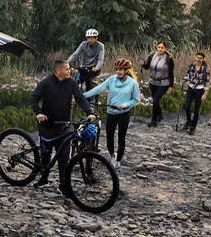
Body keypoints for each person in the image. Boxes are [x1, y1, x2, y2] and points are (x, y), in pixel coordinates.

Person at [31, 60, 96, 196]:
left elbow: (80, 98)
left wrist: (89, 112)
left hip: (65, 126)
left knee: (63, 158)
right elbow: (34, 98)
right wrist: (39, 113)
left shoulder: (71, 83)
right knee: (46, 155)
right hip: (47, 125)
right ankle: (44, 178)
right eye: (67, 69)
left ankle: (63, 185)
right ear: (58, 71)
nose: (69, 71)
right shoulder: (46, 82)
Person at [83, 59, 140, 169]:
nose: (118, 72)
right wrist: (83, 95)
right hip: (111, 113)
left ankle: (119, 159)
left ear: (127, 71)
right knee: (109, 136)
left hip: (123, 114)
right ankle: (112, 156)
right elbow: (98, 89)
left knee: (121, 137)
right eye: (117, 70)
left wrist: (125, 105)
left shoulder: (133, 83)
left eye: (121, 70)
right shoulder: (111, 80)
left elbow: (135, 100)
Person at [141, 41, 175, 127]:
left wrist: (171, 85)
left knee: (155, 99)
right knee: (155, 99)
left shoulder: (169, 58)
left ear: (165, 49)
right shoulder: (152, 56)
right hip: (152, 82)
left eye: (162, 48)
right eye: (159, 47)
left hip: (164, 83)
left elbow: (171, 73)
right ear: (157, 47)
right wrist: (143, 65)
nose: (160, 49)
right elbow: (148, 67)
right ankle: (159, 115)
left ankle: (154, 120)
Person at [67, 29, 105, 97]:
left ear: (96, 38)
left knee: (88, 79)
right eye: (88, 38)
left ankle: (89, 99)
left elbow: (100, 59)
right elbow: (75, 55)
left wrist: (97, 67)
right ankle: (77, 97)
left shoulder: (100, 46)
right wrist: (67, 63)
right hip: (83, 67)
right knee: (77, 80)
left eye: (92, 38)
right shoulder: (83, 44)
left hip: (93, 68)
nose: (90, 40)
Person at [183, 52, 210, 135]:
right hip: (191, 88)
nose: (198, 59)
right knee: (187, 106)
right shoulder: (191, 66)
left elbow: (207, 82)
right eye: (197, 57)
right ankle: (188, 120)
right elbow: (189, 76)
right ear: (195, 58)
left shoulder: (206, 69)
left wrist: (205, 94)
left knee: (196, 110)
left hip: (200, 89)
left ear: (203, 59)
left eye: (200, 58)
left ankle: (193, 126)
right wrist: (184, 80)